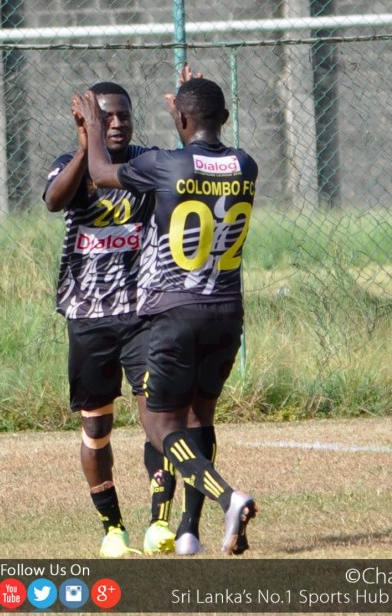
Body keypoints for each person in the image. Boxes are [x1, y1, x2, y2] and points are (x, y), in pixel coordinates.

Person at [73, 69, 259, 555]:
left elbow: (98, 174)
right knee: (202, 417)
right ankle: (189, 531)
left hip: (175, 313)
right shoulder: (246, 164)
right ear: (226, 117)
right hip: (228, 313)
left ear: (178, 116)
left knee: (162, 427)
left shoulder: (165, 165)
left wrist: (93, 125)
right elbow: (203, 137)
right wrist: (191, 102)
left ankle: (228, 498)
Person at [43, 81, 177, 558]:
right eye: (106, 117)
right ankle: (112, 529)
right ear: (86, 121)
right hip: (88, 317)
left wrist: (187, 114)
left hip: (144, 313)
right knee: (96, 428)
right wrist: (86, 145)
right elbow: (55, 200)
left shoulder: (145, 160)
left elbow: (187, 171)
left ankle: (159, 523)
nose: (117, 124)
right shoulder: (69, 165)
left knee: (158, 417)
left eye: (123, 116)